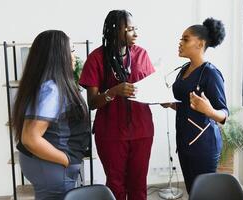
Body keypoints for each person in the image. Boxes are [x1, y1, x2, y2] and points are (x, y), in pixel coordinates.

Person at [79, 10, 155, 200]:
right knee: (115, 185)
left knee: (138, 186)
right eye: (129, 29)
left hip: (142, 131)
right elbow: (92, 103)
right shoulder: (96, 58)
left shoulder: (142, 54)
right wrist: (113, 91)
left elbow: (152, 89)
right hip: (111, 133)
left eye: (135, 29)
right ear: (114, 31)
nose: (135, 34)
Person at [12, 30, 91, 200]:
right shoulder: (52, 89)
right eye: (71, 51)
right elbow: (30, 138)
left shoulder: (47, 84)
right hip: (52, 165)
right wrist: (66, 160)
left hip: (46, 164)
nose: (75, 56)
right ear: (58, 55)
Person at [163, 18, 229, 194]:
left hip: (204, 147)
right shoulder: (184, 69)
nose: (180, 43)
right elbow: (186, 106)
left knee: (204, 194)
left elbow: (223, 114)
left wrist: (209, 111)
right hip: (185, 143)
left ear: (200, 43)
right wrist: (170, 104)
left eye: (185, 39)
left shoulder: (211, 74)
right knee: (193, 192)